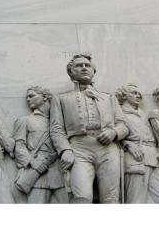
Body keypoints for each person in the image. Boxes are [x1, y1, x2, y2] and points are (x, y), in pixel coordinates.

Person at [50, 53, 128, 203]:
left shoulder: (108, 97)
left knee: (111, 198)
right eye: (79, 66)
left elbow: (123, 125)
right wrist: (65, 150)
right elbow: (56, 129)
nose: (84, 68)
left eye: (88, 66)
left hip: (107, 149)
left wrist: (114, 132)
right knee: (81, 198)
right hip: (79, 149)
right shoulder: (60, 98)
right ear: (71, 71)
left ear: (93, 71)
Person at [116, 83, 159, 203]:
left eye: (139, 94)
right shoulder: (119, 113)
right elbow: (111, 133)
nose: (138, 96)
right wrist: (127, 143)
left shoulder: (144, 114)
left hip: (153, 156)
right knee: (137, 199)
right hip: (134, 156)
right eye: (134, 93)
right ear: (124, 96)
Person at [13, 86, 67, 203]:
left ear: (45, 97)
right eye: (27, 97)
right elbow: (19, 147)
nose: (28, 99)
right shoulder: (24, 120)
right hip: (38, 170)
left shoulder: (60, 121)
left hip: (59, 169)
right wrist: (32, 162)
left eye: (31, 96)